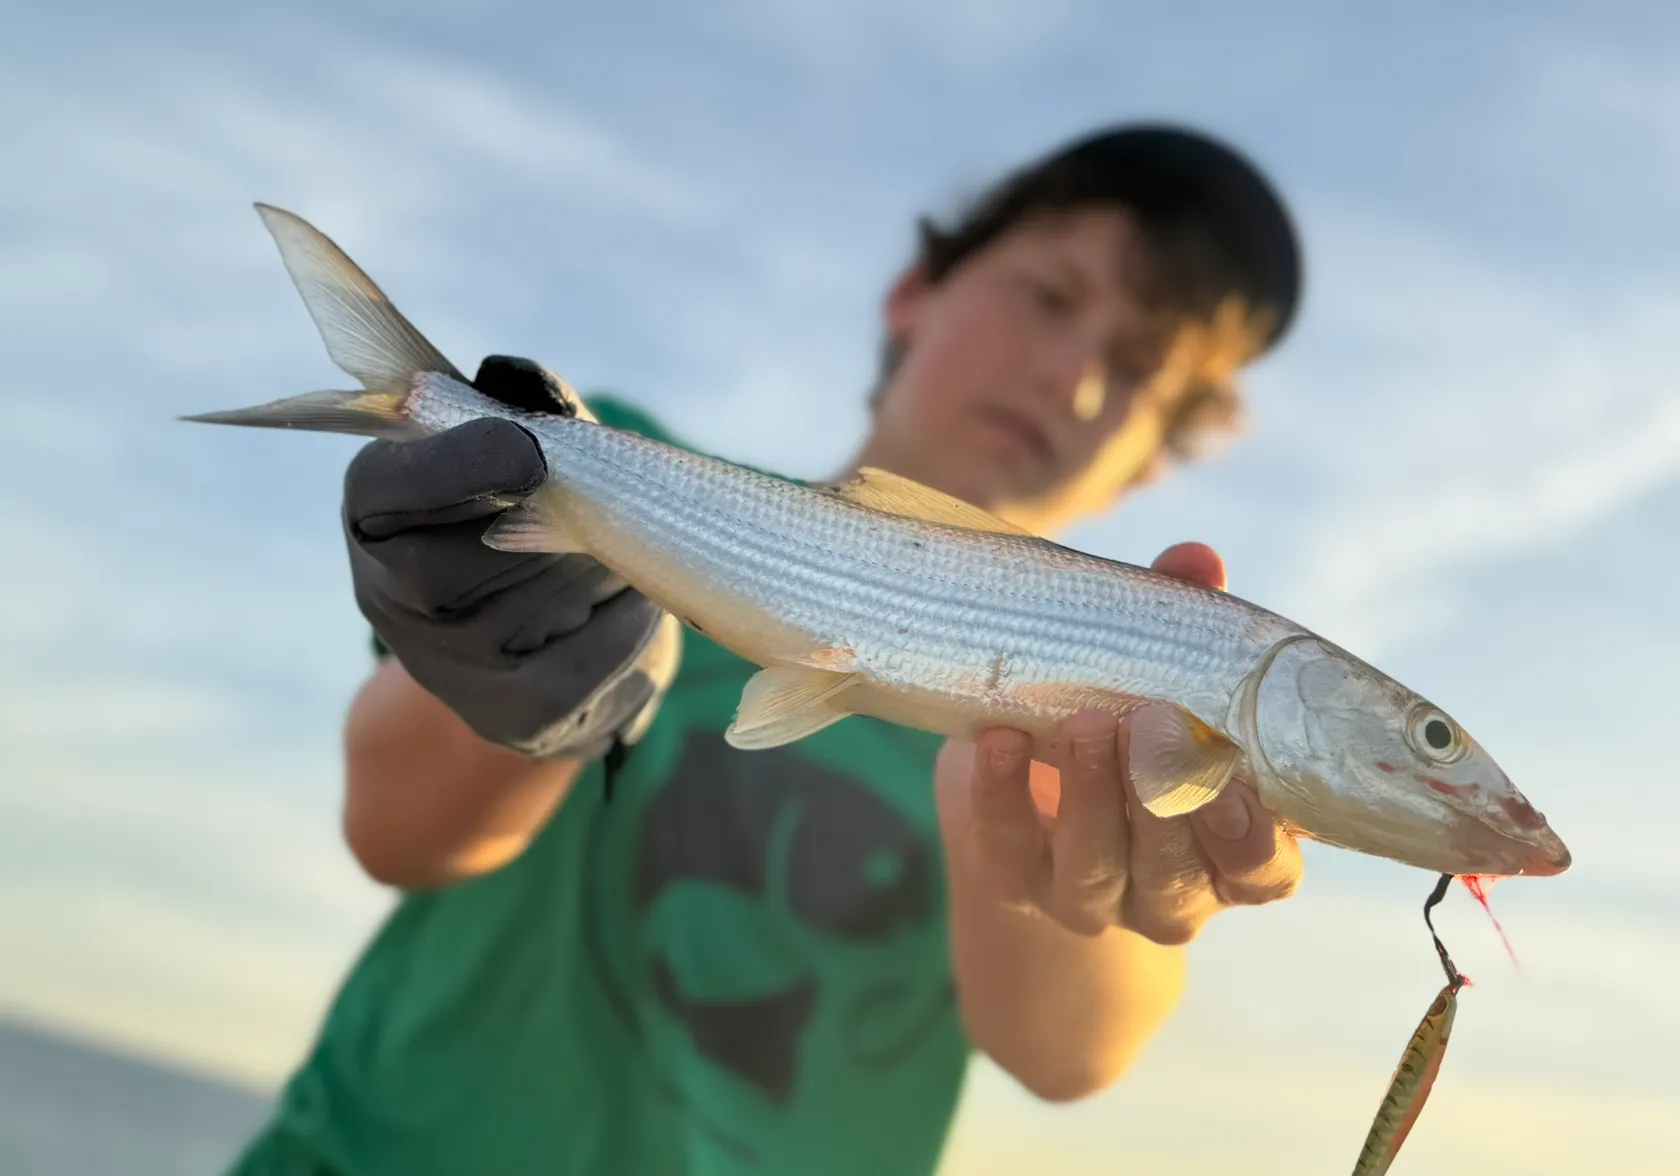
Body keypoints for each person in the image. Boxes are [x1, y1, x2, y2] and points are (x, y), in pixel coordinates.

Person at [228, 122, 1307, 1176]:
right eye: (1051, 296)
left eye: (1136, 370)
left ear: (1153, 464)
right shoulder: (609, 465)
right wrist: (528, 686)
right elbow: (394, 831)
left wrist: (1104, 874)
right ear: (912, 294)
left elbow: (1066, 1055)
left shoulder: (1096, 729)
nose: (1073, 377)